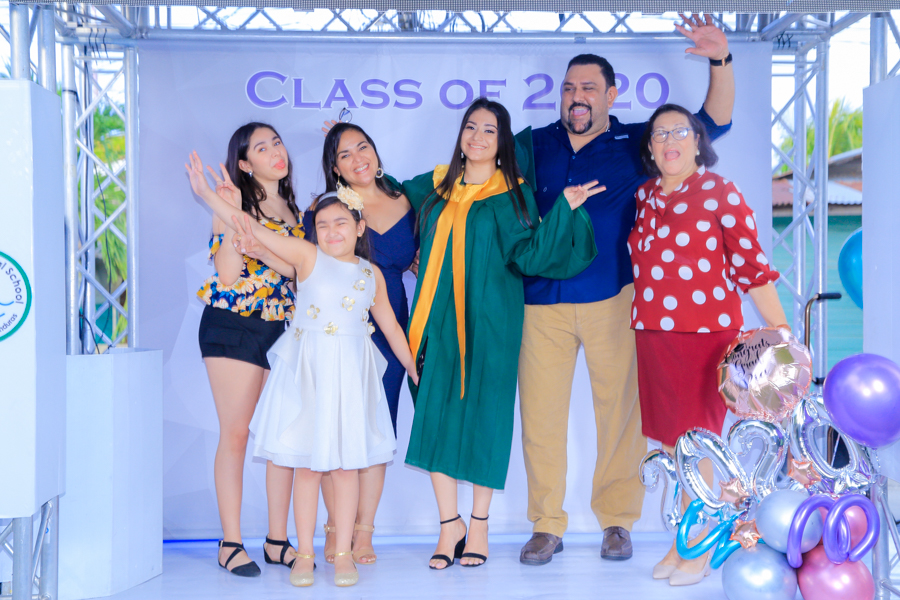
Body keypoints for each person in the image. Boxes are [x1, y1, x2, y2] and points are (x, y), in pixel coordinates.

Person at [517, 13, 736, 565]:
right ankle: (546, 525)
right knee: (540, 419)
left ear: (611, 95)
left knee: (620, 417)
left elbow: (714, 120)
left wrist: (720, 58)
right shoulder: (532, 144)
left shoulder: (637, 140)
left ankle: (617, 521)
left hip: (615, 297)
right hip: (540, 302)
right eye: (569, 88)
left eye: (589, 88)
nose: (577, 97)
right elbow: (473, 174)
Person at [187, 152, 418, 588]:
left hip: (349, 381)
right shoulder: (307, 257)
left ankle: (343, 552)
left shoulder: (371, 273)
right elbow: (250, 227)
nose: (331, 232)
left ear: (360, 228)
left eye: (341, 223)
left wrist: (412, 366)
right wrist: (207, 195)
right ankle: (306, 554)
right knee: (308, 468)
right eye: (323, 225)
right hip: (309, 377)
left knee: (345, 468)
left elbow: (390, 327)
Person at [401, 98, 601, 569]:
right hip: (435, 319)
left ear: (502, 142)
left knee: (486, 417)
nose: (478, 137)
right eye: (471, 127)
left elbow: (530, 255)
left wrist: (565, 210)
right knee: (433, 415)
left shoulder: (512, 193)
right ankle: (449, 525)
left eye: (489, 130)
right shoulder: (432, 186)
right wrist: (350, 160)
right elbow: (385, 200)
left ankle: (480, 524)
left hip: (491, 320)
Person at [630, 103, 787, 585]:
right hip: (653, 336)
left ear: (698, 140)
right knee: (671, 444)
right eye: (659, 134)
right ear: (650, 147)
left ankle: (700, 544)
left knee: (699, 444)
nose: (669, 141)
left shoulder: (721, 192)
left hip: (705, 338)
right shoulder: (644, 195)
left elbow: (752, 270)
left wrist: (781, 336)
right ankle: (683, 542)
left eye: (680, 131)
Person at [194, 123, 303, 576]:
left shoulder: (295, 208)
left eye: (276, 142)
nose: (276, 151)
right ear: (244, 163)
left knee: (281, 438)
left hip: (281, 329)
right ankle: (231, 542)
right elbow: (227, 273)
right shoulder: (232, 202)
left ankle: (277, 541)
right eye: (262, 147)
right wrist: (230, 212)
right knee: (236, 434)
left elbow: (299, 271)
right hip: (233, 325)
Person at [307, 123, 418, 566]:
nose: (358, 159)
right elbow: (308, 267)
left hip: (392, 327)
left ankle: (365, 530)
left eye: (363, 147)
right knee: (335, 432)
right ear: (334, 167)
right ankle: (337, 527)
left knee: (376, 433)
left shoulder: (406, 199)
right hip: (342, 328)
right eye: (345, 154)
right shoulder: (328, 209)